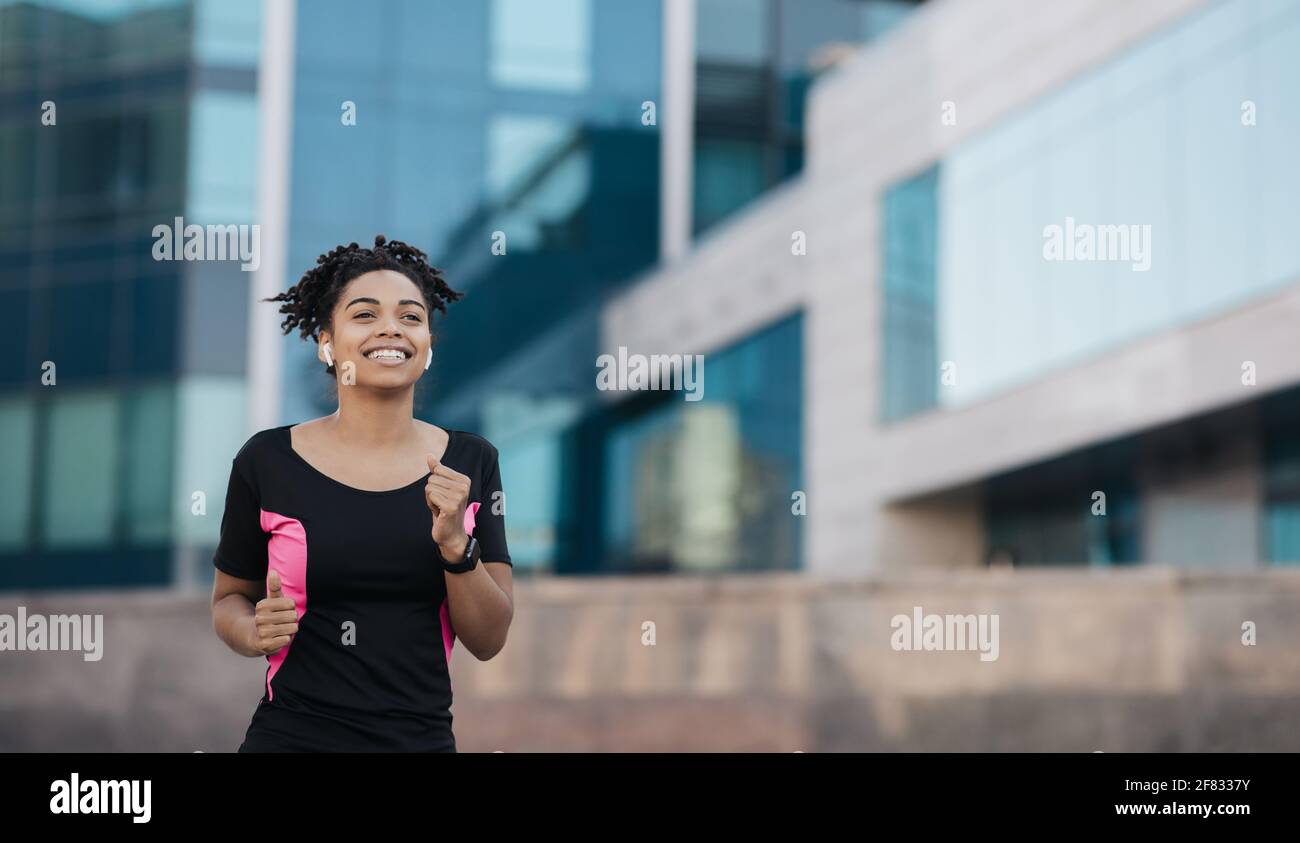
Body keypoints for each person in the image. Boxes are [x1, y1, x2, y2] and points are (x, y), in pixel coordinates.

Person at [209, 235, 513, 752]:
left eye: (411, 317)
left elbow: (488, 640)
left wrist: (456, 549)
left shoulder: (470, 463)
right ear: (327, 340)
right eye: (365, 314)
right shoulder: (267, 461)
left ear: (428, 346)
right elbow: (228, 600)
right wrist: (252, 631)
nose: (391, 328)